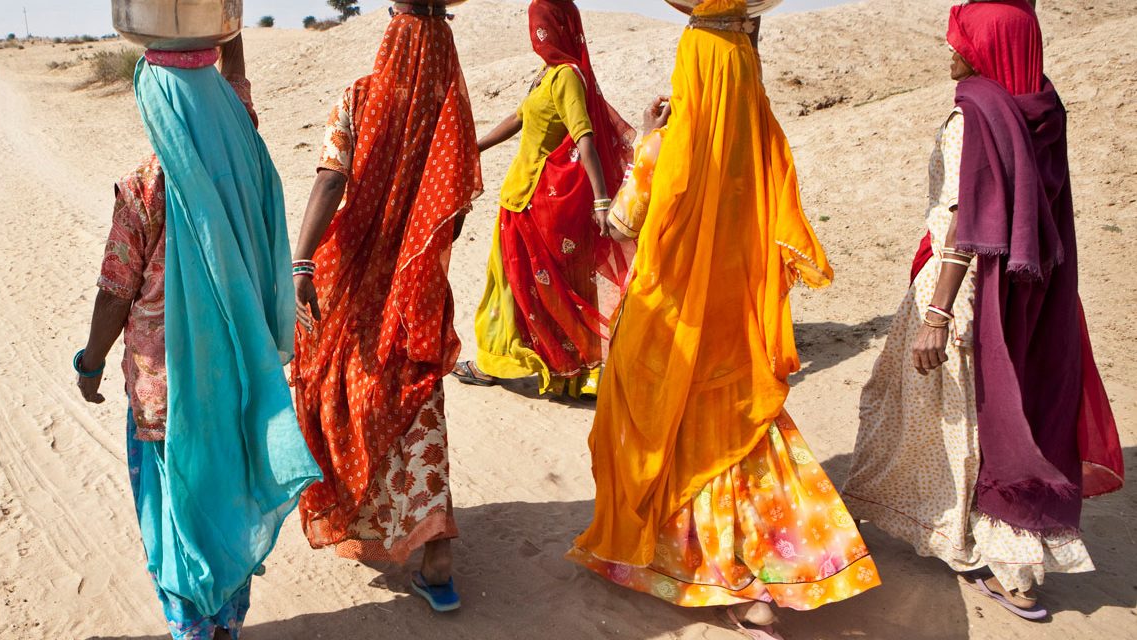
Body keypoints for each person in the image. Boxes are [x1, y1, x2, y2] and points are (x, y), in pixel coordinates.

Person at [567, 2, 880, 638]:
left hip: (670, 327)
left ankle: (698, 569)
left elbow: (623, 225)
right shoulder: (763, 139)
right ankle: (772, 570)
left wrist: (644, 142)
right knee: (742, 433)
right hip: (737, 326)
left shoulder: (668, 145)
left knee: (658, 428)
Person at [842, 0, 1123, 622]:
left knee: (939, 417)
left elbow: (965, 224)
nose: (951, 52)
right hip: (1033, 293)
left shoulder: (975, 115)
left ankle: (979, 550)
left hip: (965, 292)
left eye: (959, 41)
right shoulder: (1043, 107)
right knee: (1010, 420)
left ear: (985, 47)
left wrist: (937, 314)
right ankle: (1012, 567)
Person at [74, 35, 321, 639]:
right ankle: (226, 623)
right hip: (239, 370)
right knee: (225, 504)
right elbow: (233, 82)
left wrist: (91, 362)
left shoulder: (144, 185)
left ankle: (194, 627)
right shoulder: (243, 141)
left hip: (168, 395)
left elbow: (114, 291)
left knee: (178, 519)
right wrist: (224, 31)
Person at [289, 3, 481, 613]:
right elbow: (455, 192)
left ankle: (362, 510)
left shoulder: (362, 96)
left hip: (355, 276)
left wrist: (300, 262)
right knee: (417, 397)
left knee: (355, 385)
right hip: (420, 282)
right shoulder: (452, 105)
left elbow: (329, 180)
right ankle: (436, 555)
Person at [453, 0, 632, 398]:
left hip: (536, 201)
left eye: (541, 27)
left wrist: (602, 201)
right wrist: (474, 146)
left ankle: (500, 364)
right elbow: (519, 118)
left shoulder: (567, 76)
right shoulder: (546, 74)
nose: (536, 37)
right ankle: (556, 367)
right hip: (521, 195)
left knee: (525, 286)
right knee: (518, 284)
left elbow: (583, 137)